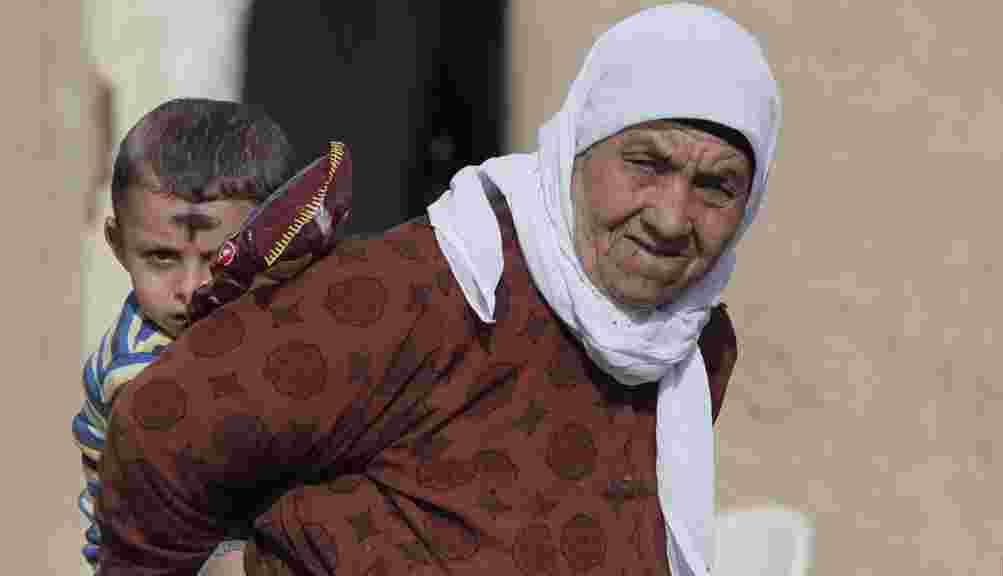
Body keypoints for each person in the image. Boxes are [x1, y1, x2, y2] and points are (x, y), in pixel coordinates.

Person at [96, 3, 780, 575]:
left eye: (717, 186)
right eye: (645, 163)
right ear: (579, 145)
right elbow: (162, 427)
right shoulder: (427, 290)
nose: (670, 217)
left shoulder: (692, 354)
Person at [73, 98, 295, 573]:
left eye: (220, 260)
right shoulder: (141, 372)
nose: (191, 288)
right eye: (161, 258)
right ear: (118, 246)